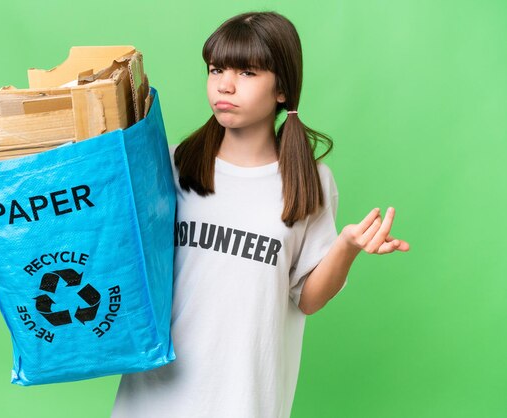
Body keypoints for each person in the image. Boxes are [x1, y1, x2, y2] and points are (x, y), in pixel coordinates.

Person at [110, 10, 410, 418]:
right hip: (155, 396)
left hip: (246, 400)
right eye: (216, 69)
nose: (225, 85)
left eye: (247, 73)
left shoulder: (310, 183)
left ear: (282, 88)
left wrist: (347, 246)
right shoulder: (174, 165)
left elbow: (306, 298)